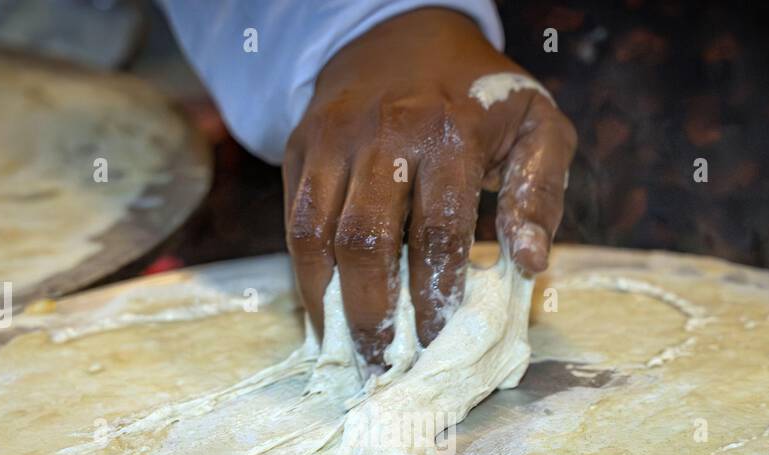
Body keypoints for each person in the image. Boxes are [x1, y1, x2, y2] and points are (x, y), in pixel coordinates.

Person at [162, 1, 576, 364]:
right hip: (330, 86)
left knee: (444, 221)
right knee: (362, 228)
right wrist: (368, 18)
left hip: (562, 70)